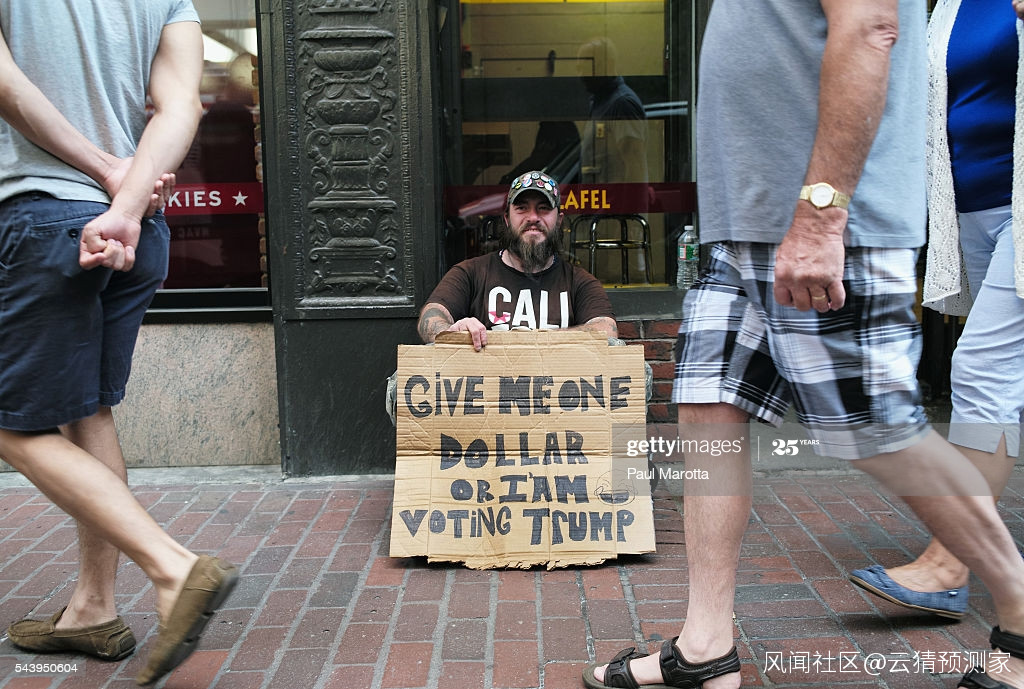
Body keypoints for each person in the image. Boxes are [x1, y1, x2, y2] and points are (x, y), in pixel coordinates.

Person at [582, 2, 1024, 689]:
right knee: (708, 407)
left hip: (823, 222)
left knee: (875, 429)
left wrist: (822, 214)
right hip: (746, 222)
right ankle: (704, 647)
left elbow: (870, 25)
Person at [0, 2, 238, 686]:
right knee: (90, 412)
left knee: (13, 424)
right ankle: (93, 610)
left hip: (45, 216)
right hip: (134, 225)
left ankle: (173, 567)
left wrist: (107, 170)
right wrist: (128, 203)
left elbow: (7, 85)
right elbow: (181, 105)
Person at [848, 0, 1024, 623]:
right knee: (1008, 377)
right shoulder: (950, 4)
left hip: (1019, 207)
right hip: (972, 209)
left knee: (984, 371)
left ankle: (950, 565)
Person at [418, 170, 617, 350]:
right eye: (522, 208)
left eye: (543, 208)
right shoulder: (471, 273)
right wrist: (453, 332)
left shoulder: (579, 282)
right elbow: (431, 316)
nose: (533, 217)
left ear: (559, 220)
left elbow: (606, 330)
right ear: (507, 219)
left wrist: (534, 341)